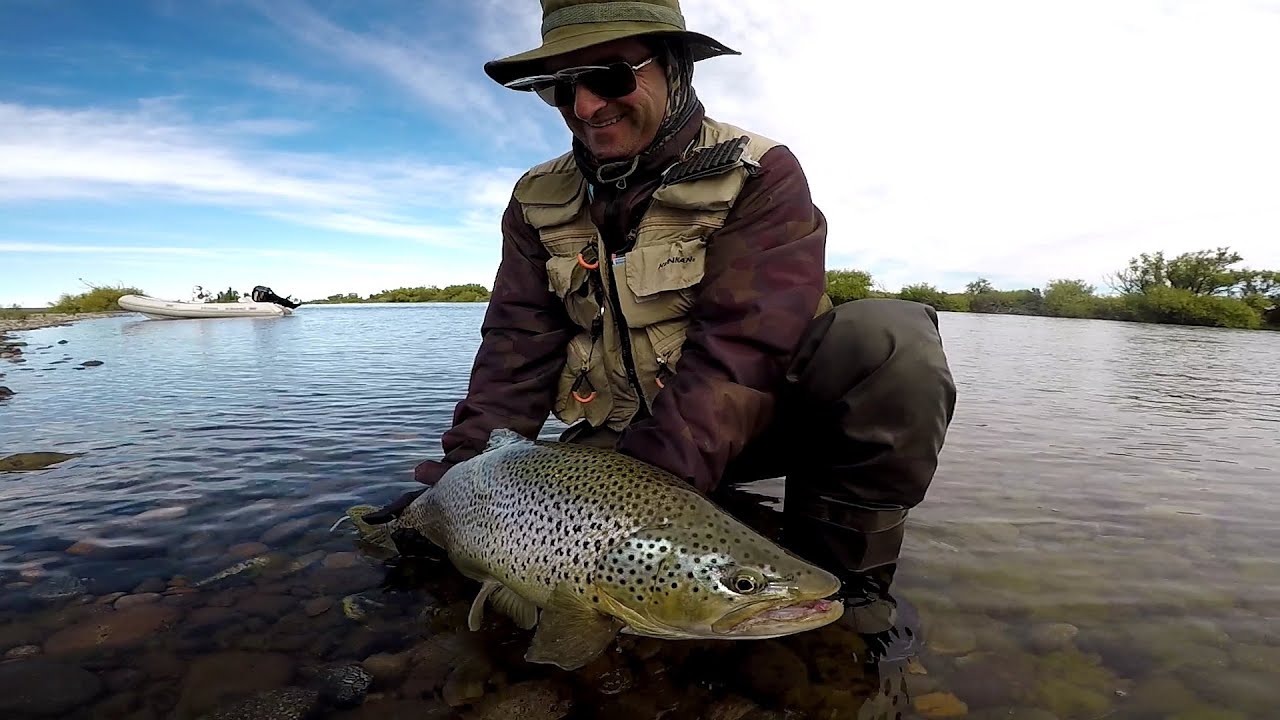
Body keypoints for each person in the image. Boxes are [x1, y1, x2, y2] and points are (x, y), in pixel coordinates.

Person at [364, 0, 957, 662]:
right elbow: (514, 349)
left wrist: (645, 505)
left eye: (611, 77)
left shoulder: (759, 171)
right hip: (622, 447)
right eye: (561, 87)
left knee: (887, 341)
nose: (585, 106)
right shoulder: (535, 198)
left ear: (674, 68)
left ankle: (848, 587)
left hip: (747, 426)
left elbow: (745, 346)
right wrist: (457, 477)